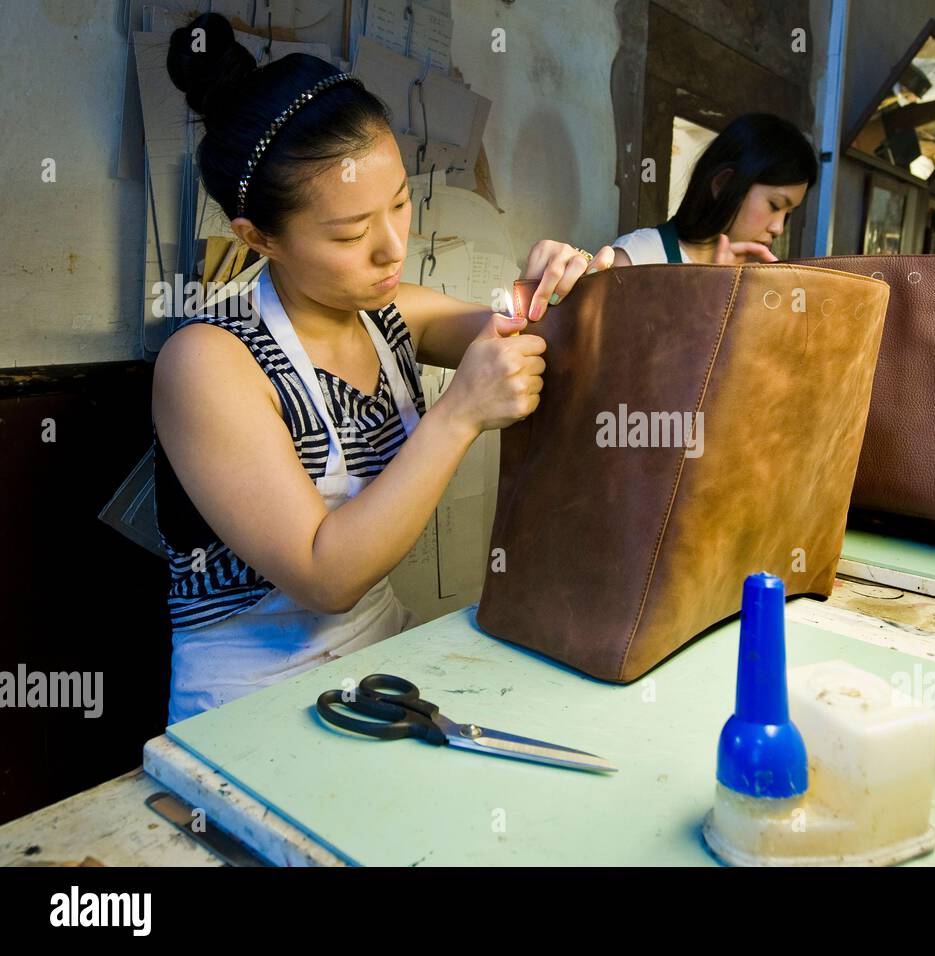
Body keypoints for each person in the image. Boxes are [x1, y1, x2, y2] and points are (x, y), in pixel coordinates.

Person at [154, 13, 614, 723]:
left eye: (400, 202)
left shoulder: (393, 311)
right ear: (259, 236)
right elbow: (323, 575)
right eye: (351, 232)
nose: (393, 247)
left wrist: (571, 284)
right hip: (246, 699)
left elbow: (534, 330)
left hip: (377, 660)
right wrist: (459, 414)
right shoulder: (210, 362)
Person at [609, 113, 817, 266]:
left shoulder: (756, 282)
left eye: (788, 214)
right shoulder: (638, 258)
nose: (778, 228)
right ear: (723, 183)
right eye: (775, 205)